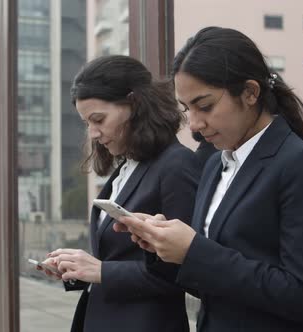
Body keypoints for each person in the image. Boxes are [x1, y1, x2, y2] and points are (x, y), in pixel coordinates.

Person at [114, 26, 303, 331]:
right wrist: (163, 248)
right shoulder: (214, 165)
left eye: (205, 106)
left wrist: (194, 250)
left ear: (250, 92)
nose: (194, 125)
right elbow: (214, 287)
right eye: (187, 108)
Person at [38, 55, 199, 332]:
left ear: (134, 104)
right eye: (87, 123)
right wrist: (76, 270)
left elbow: (184, 270)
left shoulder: (176, 164)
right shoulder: (127, 167)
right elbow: (118, 262)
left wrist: (100, 270)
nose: (93, 133)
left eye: (98, 119)